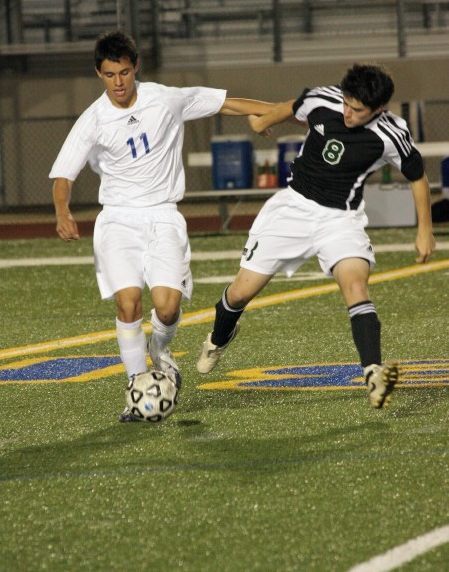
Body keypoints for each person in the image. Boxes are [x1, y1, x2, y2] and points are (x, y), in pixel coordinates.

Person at [50, 29, 274, 422]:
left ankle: (160, 351)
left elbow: (224, 102)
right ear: (99, 74)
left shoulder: (165, 99)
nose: (117, 82)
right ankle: (138, 385)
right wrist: (62, 212)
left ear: (135, 68)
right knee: (128, 302)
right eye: (108, 75)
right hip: (117, 220)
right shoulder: (94, 119)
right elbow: (63, 176)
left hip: (163, 216)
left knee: (167, 310)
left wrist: (275, 111)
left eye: (123, 72)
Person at [197, 63, 436, 409]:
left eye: (358, 110)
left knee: (355, 286)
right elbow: (290, 108)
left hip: (339, 219)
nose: (349, 113)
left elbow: (418, 177)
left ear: (379, 109)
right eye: (347, 104)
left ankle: (373, 371)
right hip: (292, 209)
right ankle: (219, 338)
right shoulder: (323, 99)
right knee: (240, 292)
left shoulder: (391, 133)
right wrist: (264, 121)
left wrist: (424, 230)